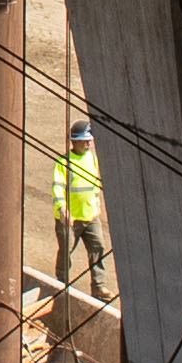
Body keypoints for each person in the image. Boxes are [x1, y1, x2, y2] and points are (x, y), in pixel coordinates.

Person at [55, 120, 109, 294]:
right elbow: (58, 187)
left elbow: (96, 185)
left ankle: (99, 286)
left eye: (89, 140)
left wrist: (96, 207)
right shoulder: (64, 162)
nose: (88, 143)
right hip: (70, 219)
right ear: (74, 142)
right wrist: (62, 208)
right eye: (85, 140)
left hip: (90, 216)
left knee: (98, 248)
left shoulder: (93, 159)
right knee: (66, 250)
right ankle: (61, 283)